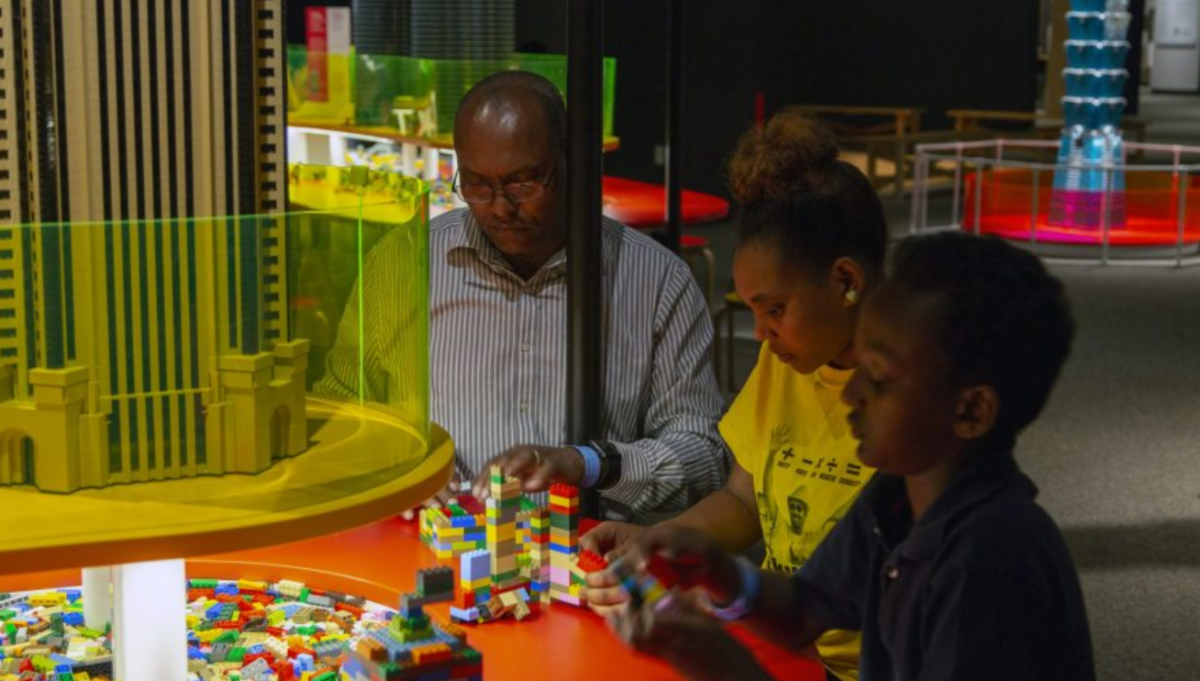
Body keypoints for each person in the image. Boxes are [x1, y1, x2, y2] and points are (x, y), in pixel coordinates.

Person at [602, 232, 1095, 681]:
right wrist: (721, 574)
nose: (852, 393)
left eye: (878, 379)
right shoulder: (896, 496)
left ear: (971, 411)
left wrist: (723, 667)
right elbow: (804, 609)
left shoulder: (986, 566)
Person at [316, 70, 728, 520]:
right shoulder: (401, 264)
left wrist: (589, 464)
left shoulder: (656, 280)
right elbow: (341, 413)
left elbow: (704, 458)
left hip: (586, 552)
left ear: (571, 163)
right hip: (436, 548)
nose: (500, 206)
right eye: (476, 184)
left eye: (522, 184)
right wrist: (397, 469)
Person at [582, 112, 887, 681]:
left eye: (776, 310)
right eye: (753, 311)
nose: (763, 334)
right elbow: (745, 500)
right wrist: (661, 540)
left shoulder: (910, 404)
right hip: (784, 639)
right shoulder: (786, 360)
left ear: (846, 281)